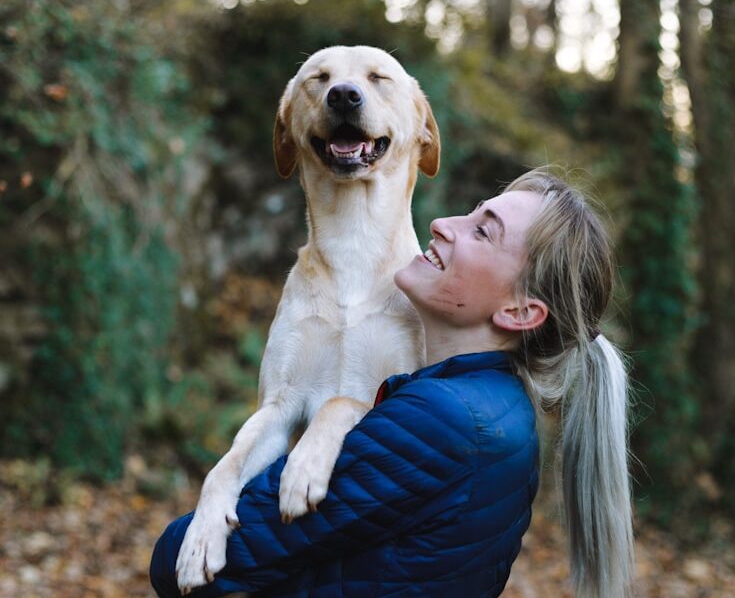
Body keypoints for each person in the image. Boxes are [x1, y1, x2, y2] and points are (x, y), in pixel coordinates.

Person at [150, 169, 634, 598]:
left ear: (520, 312)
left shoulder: (439, 421)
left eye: (482, 232)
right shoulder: (498, 407)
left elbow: (185, 562)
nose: (443, 223)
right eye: (471, 213)